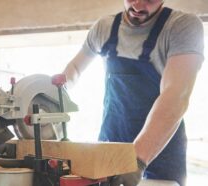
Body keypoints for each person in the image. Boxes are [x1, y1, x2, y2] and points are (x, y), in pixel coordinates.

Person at [62, 0, 204, 185]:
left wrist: (137, 160)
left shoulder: (182, 26)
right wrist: (53, 94)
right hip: (110, 144)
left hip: (158, 152)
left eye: (149, 0)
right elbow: (74, 69)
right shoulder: (104, 27)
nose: (137, 6)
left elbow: (176, 96)